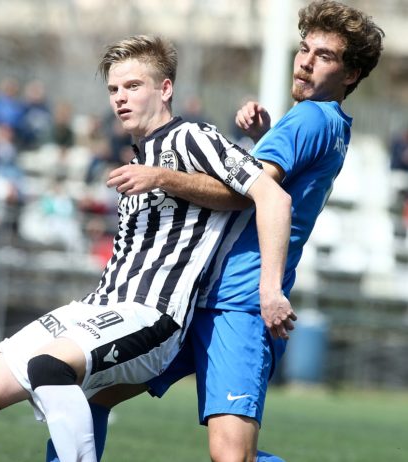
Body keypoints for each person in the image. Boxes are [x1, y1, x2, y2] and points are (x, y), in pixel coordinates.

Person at [44, 2, 385, 461]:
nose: (305, 61)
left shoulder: (310, 118)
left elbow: (243, 193)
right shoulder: (323, 121)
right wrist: (263, 137)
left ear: (351, 74)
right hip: (194, 298)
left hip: (236, 302)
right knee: (91, 394)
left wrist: (161, 176)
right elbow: (270, 181)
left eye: (324, 56)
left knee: (231, 456)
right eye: (304, 48)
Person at [0, 34, 291, 462]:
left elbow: (270, 195)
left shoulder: (190, 137)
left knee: (49, 369)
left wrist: (271, 289)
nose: (120, 97)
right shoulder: (138, 157)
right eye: (114, 89)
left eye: (133, 86)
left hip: (153, 314)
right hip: (98, 307)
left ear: (165, 89)